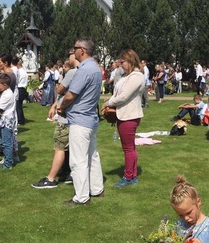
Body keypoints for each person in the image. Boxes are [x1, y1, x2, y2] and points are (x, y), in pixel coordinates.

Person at [57, 37, 103, 205]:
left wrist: (61, 107)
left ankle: (82, 197)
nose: (73, 51)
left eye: (75, 48)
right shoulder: (96, 68)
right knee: (92, 156)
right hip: (90, 117)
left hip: (80, 119)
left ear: (82, 51)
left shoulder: (84, 70)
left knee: (78, 160)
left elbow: (70, 94)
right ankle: (97, 189)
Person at [101, 48, 145, 188]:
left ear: (130, 60)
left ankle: (128, 177)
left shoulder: (136, 76)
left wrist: (108, 103)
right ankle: (132, 175)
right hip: (125, 115)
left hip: (129, 116)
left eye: (122, 61)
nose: (120, 64)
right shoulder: (129, 76)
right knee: (130, 147)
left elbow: (124, 96)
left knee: (128, 148)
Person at [31, 57, 78, 189]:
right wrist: (54, 105)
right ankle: (68, 173)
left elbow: (60, 90)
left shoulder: (74, 73)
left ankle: (51, 179)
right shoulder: (85, 72)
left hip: (66, 117)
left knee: (60, 147)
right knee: (69, 148)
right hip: (73, 116)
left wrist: (59, 106)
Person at [0, 73, 18, 170]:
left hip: (7, 121)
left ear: (5, 85)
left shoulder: (7, 95)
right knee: (1, 141)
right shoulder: (6, 92)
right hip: (5, 119)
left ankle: (8, 163)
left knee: (6, 142)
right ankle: (7, 158)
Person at [15, 57, 28, 125]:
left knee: (18, 105)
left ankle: (20, 120)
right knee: (19, 105)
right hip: (23, 88)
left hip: (20, 88)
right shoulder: (24, 71)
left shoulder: (19, 72)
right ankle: (21, 119)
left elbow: (17, 80)